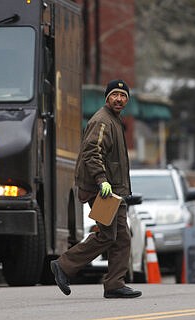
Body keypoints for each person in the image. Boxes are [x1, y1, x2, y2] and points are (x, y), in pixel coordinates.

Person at [51, 79, 142, 299]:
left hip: (113, 192)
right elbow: (92, 152)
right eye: (115, 95)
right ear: (107, 98)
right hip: (102, 191)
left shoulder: (114, 121)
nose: (119, 99)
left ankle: (114, 285)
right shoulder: (102, 121)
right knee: (108, 235)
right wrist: (102, 181)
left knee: (120, 238)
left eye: (123, 96)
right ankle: (64, 265)